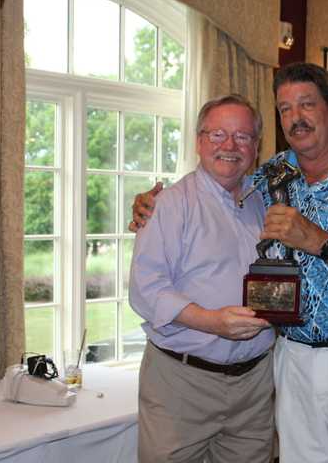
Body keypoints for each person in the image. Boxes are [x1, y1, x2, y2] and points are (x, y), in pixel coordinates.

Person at [132, 63, 328, 463]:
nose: (295, 118)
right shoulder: (272, 176)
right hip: (291, 360)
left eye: (306, 104)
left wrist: (319, 241)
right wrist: (148, 205)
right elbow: (215, 185)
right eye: (285, 109)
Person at [129, 94, 274, 463]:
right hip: (181, 383)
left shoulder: (267, 201)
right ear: (198, 141)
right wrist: (212, 322)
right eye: (217, 134)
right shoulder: (169, 204)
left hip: (255, 386)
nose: (230, 145)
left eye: (243, 137)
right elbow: (146, 290)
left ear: (256, 147)